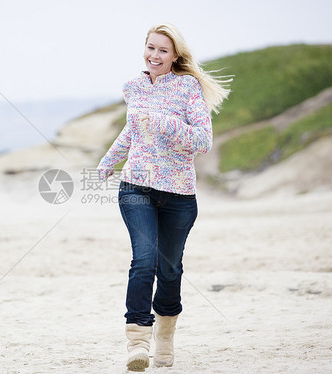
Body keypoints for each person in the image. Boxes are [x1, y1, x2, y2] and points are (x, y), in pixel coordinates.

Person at [97, 23, 231, 371]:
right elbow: (132, 129)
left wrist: (163, 123)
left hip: (179, 195)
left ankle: (166, 337)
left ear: (175, 56)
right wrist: (108, 162)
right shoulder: (133, 88)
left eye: (162, 50)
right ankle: (138, 343)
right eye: (150, 48)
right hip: (136, 187)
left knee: (169, 271)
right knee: (144, 261)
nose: (154, 55)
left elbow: (202, 142)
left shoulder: (188, 88)